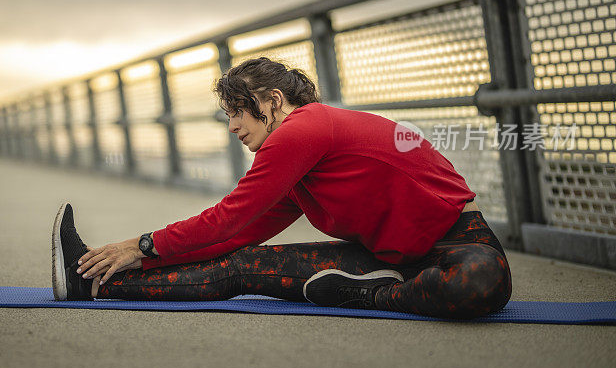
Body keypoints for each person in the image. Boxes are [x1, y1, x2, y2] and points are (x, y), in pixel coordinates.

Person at [51, 57, 511, 319]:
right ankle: (90, 283)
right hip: (386, 260)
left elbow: (229, 214)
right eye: (227, 115)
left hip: (456, 243)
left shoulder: (304, 129)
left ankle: (373, 294)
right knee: (239, 264)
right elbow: (235, 234)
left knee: (482, 283)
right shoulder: (301, 168)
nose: (233, 127)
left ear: (274, 102)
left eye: (239, 112)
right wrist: (135, 257)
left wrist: (143, 244)